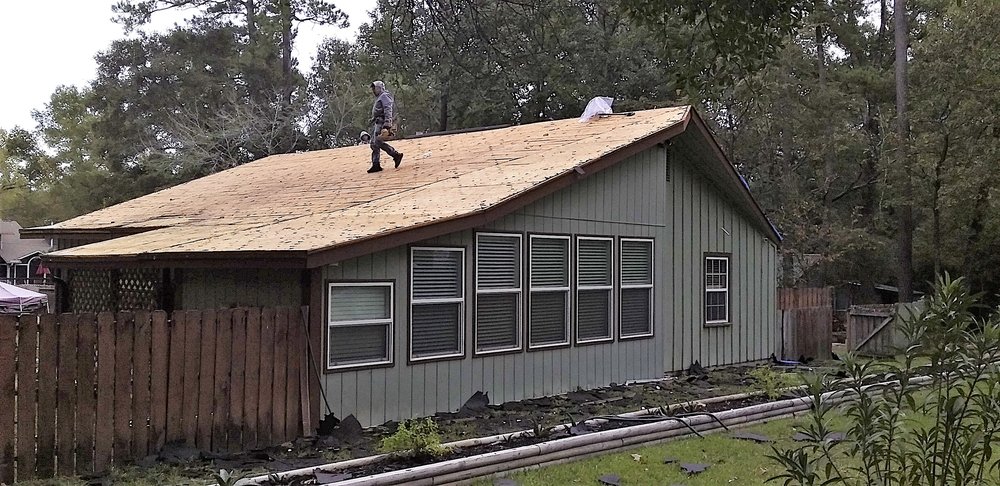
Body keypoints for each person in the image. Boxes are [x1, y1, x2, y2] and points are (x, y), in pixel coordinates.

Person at [367, 80, 403, 173]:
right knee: (374, 143)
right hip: (378, 122)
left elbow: (388, 109)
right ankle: (376, 164)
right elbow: (380, 110)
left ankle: (395, 155)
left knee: (377, 142)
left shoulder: (384, 96)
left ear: (379, 88)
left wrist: (387, 124)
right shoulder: (380, 97)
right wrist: (373, 119)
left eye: (374, 88)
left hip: (382, 122)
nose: (373, 90)